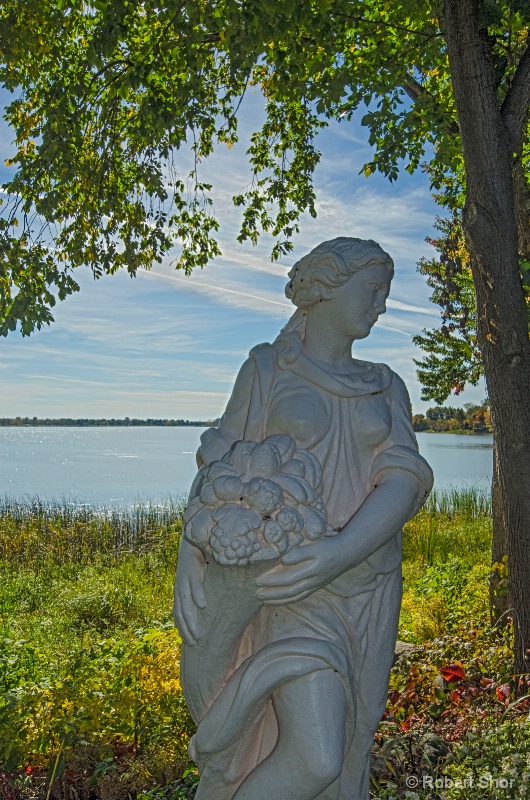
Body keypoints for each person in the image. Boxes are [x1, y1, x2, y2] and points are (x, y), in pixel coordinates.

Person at [173, 237, 433, 800]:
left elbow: (405, 480)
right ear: (324, 289)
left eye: (386, 294)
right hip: (290, 589)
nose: (381, 306)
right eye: (372, 291)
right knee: (317, 757)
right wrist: (191, 551)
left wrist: (340, 553)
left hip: (367, 589)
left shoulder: (386, 386)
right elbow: (220, 465)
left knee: (350, 749)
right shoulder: (268, 368)